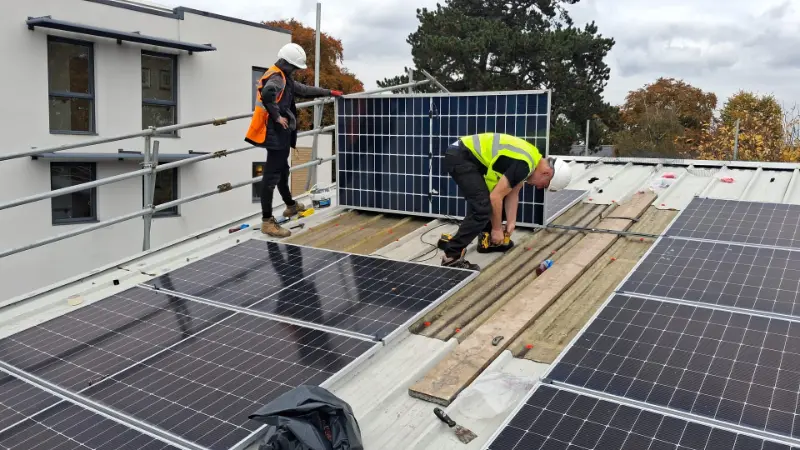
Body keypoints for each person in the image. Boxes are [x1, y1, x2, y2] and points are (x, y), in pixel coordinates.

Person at [245, 43, 343, 238]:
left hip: (280, 133)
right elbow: (267, 94)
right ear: (286, 63)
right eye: (295, 67)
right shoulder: (276, 78)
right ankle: (267, 222)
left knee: (282, 172)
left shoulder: (283, 77)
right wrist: (277, 117)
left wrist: (328, 92)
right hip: (275, 134)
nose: (296, 71)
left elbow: (303, 90)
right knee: (271, 177)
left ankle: (290, 206)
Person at [440, 132, 572, 271]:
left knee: (493, 202)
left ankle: (489, 241)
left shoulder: (532, 159)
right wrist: (497, 229)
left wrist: (511, 223)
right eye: (544, 185)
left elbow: (513, 193)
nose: (539, 188)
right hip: (461, 155)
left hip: (467, 155)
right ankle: (451, 257)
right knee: (482, 208)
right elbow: (495, 197)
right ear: (547, 173)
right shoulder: (524, 164)